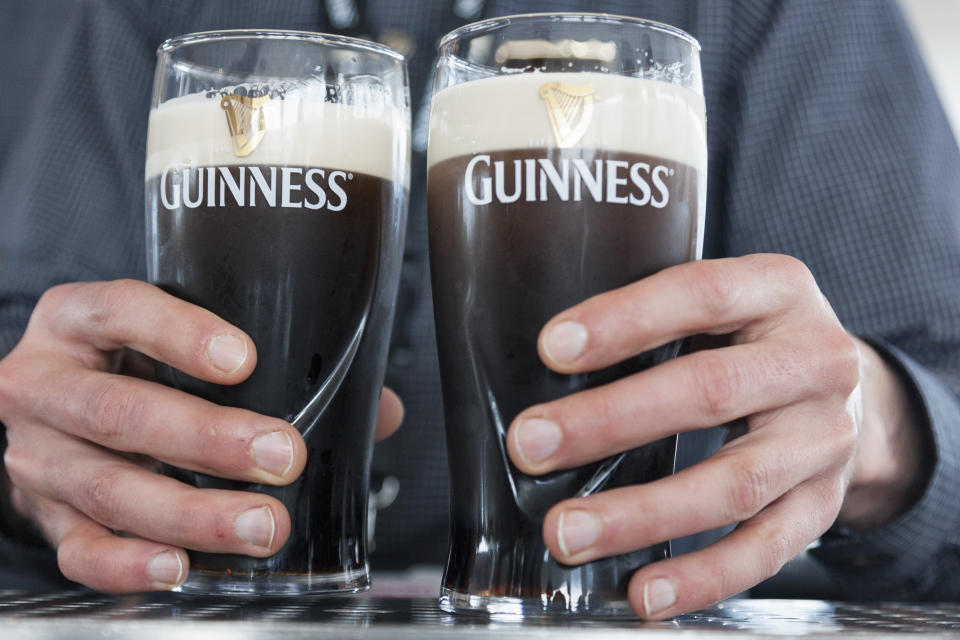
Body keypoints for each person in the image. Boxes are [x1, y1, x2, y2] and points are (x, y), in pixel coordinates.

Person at [0, 0, 958, 620]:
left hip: (645, 616)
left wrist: (879, 430)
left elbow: (941, 374)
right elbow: (28, 357)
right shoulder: (123, 16)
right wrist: (30, 457)